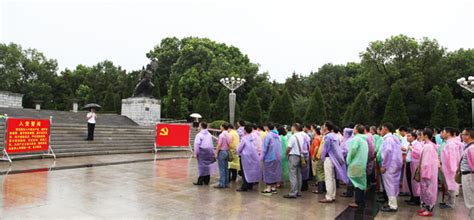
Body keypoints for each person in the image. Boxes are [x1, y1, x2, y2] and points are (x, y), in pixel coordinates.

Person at [319, 121, 350, 203]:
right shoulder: (335, 136)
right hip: (334, 159)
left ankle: (328, 196)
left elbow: (325, 149)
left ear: (326, 127)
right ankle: (332, 195)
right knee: (332, 178)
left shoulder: (327, 137)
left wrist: (322, 158)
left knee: (328, 178)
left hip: (328, 159)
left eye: (324, 126)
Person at [379, 123, 403, 212]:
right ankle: (391, 203)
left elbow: (387, 152)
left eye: (381, 129)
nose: (380, 131)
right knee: (393, 184)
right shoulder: (394, 138)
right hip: (395, 164)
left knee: (390, 185)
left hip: (389, 165)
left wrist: (384, 166)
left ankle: (393, 205)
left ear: (386, 129)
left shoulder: (388, 139)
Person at [439, 127, 463, 209]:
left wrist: (453, 170)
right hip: (447, 168)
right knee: (448, 186)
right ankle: (449, 202)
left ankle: (451, 203)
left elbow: (453, 158)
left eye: (443, 132)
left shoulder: (451, 144)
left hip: (450, 169)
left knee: (451, 186)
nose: (442, 133)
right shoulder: (450, 142)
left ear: (448, 133)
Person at [417, 128, 439, 217]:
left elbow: (426, 161)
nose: (420, 136)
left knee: (428, 190)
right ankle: (426, 207)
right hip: (429, 172)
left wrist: (424, 173)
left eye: (421, 135)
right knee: (426, 190)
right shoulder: (430, 145)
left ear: (426, 136)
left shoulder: (428, 146)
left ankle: (429, 209)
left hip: (428, 172)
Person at [347, 124, 369, 208]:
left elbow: (352, 150)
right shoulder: (364, 140)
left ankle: (358, 202)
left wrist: (348, 160)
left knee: (357, 184)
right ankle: (361, 201)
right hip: (362, 164)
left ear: (356, 130)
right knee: (361, 182)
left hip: (355, 164)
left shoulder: (356, 139)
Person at [283, 123, 306, 199]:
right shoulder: (302, 136)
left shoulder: (293, 137)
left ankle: (293, 192)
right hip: (300, 156)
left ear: (294, 128)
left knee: (292, 174)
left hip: (293, 156)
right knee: (299, 174)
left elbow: (289, 147)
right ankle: (298, 191)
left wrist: (286, 154)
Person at [236, 125, 262, 192]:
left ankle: (244, 186)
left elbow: (239, 149)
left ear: (245, 130)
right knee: (251, 171)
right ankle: (250, 185)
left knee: (245, 171)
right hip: (254, 156)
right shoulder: (254, 137)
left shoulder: (244, 138)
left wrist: (238, 152)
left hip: (245, 157)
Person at [261, 123, 282, 194]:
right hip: (278, 157)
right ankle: (274, 187)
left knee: (268, 172)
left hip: (269, 157)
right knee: (275, 172)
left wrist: (262, 157)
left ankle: (268, 188)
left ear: (267, 128)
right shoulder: (278, 136)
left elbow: (264, 148)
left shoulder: (268, 136)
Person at [405, 131, 423, 206]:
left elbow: (419, 154)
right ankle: (412, 197)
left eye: (409, 136)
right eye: (407, 136)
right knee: (409, 181)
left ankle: (416, 199)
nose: (407, 137)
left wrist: (412, 149)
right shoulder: (410, 144)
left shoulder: (417, 144)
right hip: (409, 163)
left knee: (414, 182)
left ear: (413, 137)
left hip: (414, 165)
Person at [460, 128, 474, 219]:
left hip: (469, 176)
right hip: (468, 175)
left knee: (471, 200)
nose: (462, 136)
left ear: (468, 136)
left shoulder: (471, 148)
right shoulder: (469, 147)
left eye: (464, 134)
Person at [214, 123, 231, 189]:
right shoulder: (229, 135)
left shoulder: (221, 135)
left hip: (222, 152)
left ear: (223, 127)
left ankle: (221, 184)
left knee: (221, 169)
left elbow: (219, 145)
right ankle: (226, 183)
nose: (220, 127)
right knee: (226, 168)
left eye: (221, 126)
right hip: (227, 151)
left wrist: (216, 153)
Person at [340, 126, 354, 198]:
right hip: (348, 159)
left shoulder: (348, 141)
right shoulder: (349, 139)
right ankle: (349, 190)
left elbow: (347, 151)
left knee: (349, 176)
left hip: (348, 159)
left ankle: (349, 192)